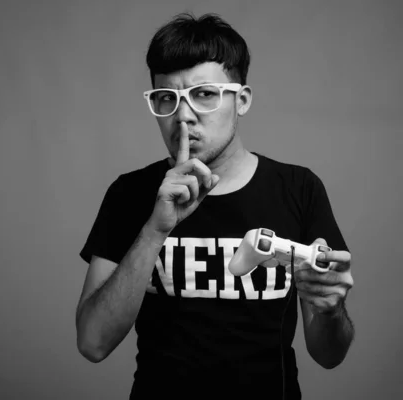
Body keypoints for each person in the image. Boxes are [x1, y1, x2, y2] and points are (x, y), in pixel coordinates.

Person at [75, 12, 355, 399]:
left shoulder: (298, 189)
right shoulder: (131, 193)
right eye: (166, 98)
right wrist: (154, 231)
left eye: (204, 94)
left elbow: (329, 355)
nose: (183, 116)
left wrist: (330, 309)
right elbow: (92, 343)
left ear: (241, 101)